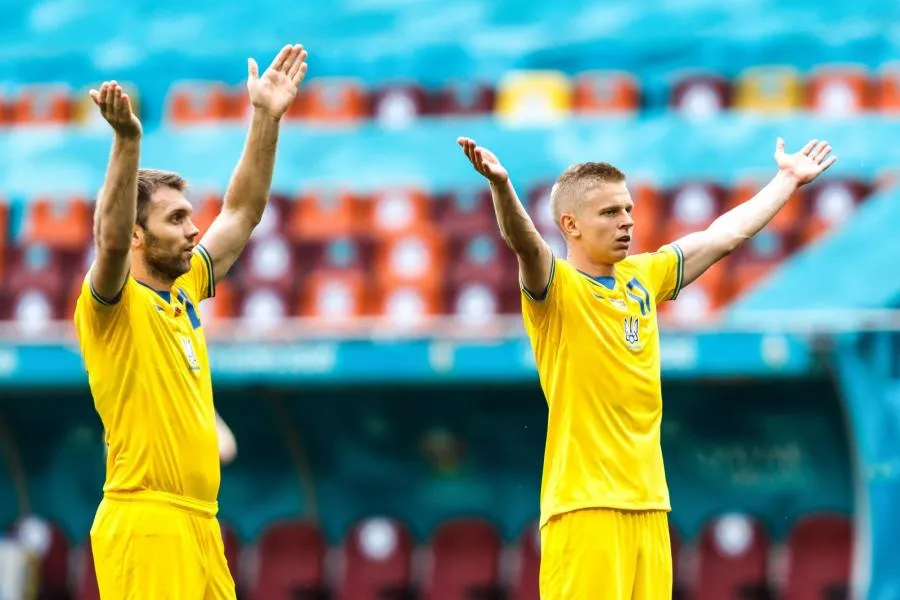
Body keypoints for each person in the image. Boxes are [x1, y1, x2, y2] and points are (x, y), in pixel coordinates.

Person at [456, 136, 836, 599]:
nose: (627, 221)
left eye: (629, 209)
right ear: (570, 225)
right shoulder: (557, 291)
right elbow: (526, 244)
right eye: (610, 212)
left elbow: (724, 235)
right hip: (585, 509)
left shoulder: (643, 278)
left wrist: (787, 180)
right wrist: (502, 187)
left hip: (650, 506)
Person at [73, 43, 308, 598]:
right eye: (175, 219)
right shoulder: (114, 303)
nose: (193, 229)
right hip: (147, 523)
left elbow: (243, 211)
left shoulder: (184, 291)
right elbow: (106, 240)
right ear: (137, 235)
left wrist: (265, 116)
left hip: (201, 522)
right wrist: (128, 141)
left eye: (190, 216)